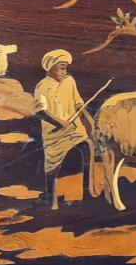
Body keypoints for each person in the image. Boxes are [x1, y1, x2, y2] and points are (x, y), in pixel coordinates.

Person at [33, 49, 95, 210]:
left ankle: (87, 193)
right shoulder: (42, 86)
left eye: (65, 68)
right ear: (50, 67)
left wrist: (90, 121)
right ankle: (51, 201)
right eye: (61, 68)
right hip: (54, 135)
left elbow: (79, 104)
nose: (64, 72)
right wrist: (59, 122)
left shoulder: (70, 81)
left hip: (75, 130)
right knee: (52, 167)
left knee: (88, 147)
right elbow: (40, 112)